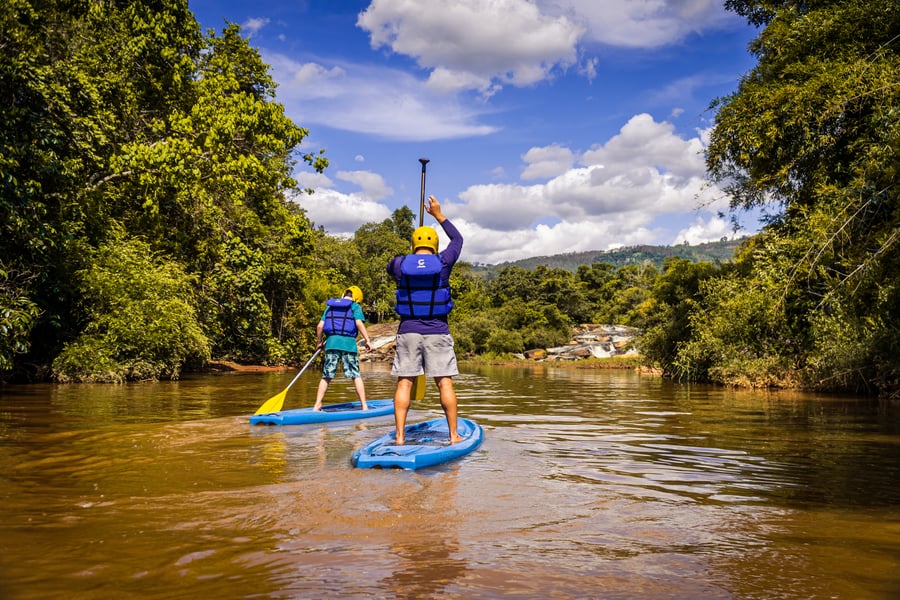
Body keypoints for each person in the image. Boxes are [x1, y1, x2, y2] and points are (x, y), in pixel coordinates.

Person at [386, 195, 464, 444]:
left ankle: (399, 437)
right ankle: (453, 436)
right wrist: (439, 215)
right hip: (438, 330)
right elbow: (458, 239)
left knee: (405, 383)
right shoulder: (443, 262)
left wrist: (412, 258)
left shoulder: (399, 264)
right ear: (435, 243)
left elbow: (393, 268)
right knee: (444, 383)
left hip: (408, 330)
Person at [314, 285, 372, 411]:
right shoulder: (355, 306)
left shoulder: (330, 306)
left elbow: (319, 326)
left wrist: (319, 342)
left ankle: (317, 405)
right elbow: (358, 323)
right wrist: (367, 340)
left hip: (331, 343)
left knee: (326, 376)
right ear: (357, 298)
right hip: (348, 345)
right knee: (355, 375)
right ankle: (364, 406)